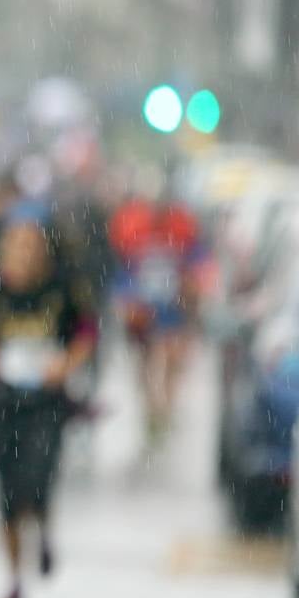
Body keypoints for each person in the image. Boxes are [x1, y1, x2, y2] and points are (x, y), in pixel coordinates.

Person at [0, 209, 97, 598]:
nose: (22, 253)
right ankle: (13, 579)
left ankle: (41, 528)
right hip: (3, 400)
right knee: (6, 493)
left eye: (30, 244)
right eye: (15, 245)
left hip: (47, 402)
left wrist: (66, 364)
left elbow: (87, 331)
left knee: (38, 480)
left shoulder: (63, 287)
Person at [109, 190, 207, 446]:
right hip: (142, 310)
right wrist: (126, 302)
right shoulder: (131, 228)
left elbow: (199, 265)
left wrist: (193, 290)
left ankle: (163, 407)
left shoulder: (184, 229)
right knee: (144, 364)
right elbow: (122, 271)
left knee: (171, 360)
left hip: (173, 307)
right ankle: (152, 407)